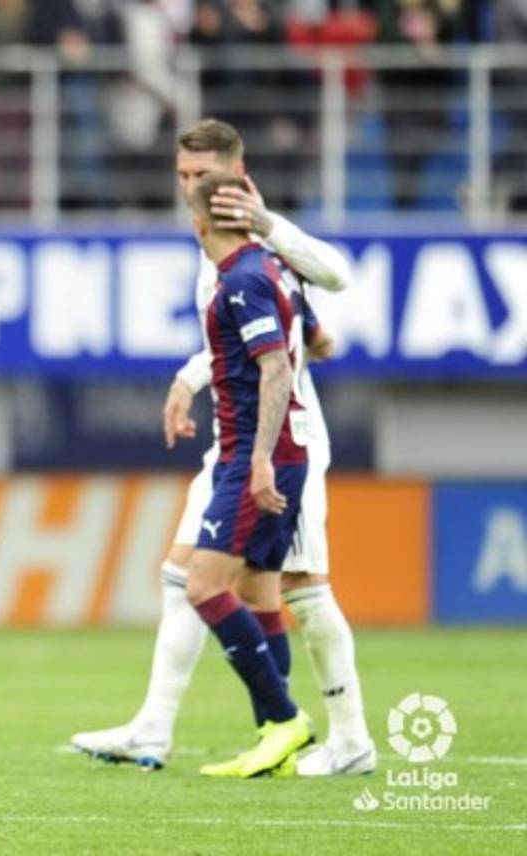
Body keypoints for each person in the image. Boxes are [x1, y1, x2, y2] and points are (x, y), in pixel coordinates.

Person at [71, 119, 375, 776]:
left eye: (202, 176)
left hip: (282, 440)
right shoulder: (215, 248)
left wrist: (269, 225)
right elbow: (270, 339)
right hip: (235, 440)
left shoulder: (259, 241)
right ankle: (157, 727)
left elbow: (336, 279)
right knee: (187, 575)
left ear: (236, 174)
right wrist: (190, 378)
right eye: (182, 175)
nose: (190, 188)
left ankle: (342, 737)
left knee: (297, 588)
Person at [184, 171, 314, 777]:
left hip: (257, 455)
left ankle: (284, 719)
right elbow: (314, 339)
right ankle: (274, 740)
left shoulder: (241, 280)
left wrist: (260, 456)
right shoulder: (271, 268)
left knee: (204, 587)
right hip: (279, 452)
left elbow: (275, 369)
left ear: (199, 222)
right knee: (260, 591)